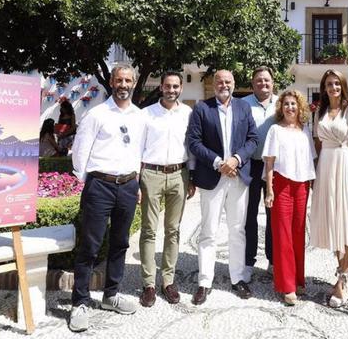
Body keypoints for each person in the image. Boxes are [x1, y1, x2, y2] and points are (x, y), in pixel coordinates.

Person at [68, 64, 144, 333]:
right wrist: (87, 181)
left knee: (120, 243)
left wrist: (135, 182)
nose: (124, 84)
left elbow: (138, 151)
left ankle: (111, 295)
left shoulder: (139, 116)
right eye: (119, 80)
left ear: (134, 83)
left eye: (128, 80)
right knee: (90, 245)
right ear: (111, 82)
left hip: (127, 185)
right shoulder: (96, 114)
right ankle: (79, 302)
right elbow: (80, 151)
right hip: (100, 185)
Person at [186, 70, 258, 305]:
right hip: (212, 177)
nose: (224, 85)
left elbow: (253, 139)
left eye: (228, 81)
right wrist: (219, 163)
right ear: (213, 84)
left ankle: (237, 278)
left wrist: (236, 159)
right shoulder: (201, 109)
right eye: (219, 81)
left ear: (234, 84)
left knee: (237, 229)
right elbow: (194, 142)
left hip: (237, 176)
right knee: (208, 231)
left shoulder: (243, 108)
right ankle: (205, 282)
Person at [310, 69, 348, 308]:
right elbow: (316, 145)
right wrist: (314, 174)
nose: (333, 87)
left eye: (336, 83)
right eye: (329, 84)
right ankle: (342, 274)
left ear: (342, 86)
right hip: (325, 168)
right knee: (333, 222)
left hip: (345, 165)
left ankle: (343, 278)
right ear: (324, 87)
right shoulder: (320, 111)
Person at [138, 71, 195, 307]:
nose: (171, 90)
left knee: (173, 230)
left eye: (175, 86)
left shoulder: (189, 114)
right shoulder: (146, 114)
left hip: (179, 174)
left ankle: (168, 281)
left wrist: (191, 176)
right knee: (149, 229)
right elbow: (137, 148)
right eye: (167, 86)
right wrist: (135, 180)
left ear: (180, 88)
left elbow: (191, 146)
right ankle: (149, 284)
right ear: (160, 87)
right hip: (150, 173)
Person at [263, 90, 316, 306]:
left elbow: (310, 160)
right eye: (286, 104)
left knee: (297, 233)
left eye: (293, 104)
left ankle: (297, 279)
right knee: (282, 235)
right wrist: (269, 190)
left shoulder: (305, 131)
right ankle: (287, 286)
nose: (290, 107)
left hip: (302, 185)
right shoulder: (275, 130)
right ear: (281, 107)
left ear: (299, 107)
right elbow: (269, 163)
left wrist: (310, 188)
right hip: (281, 184)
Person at [242, 66, 278, 280]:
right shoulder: (243, 104)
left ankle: (273, 260)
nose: (263, 84)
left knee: (274, 216)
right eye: (259, 81)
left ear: (273, 83)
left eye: (266, 80)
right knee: (249, 216)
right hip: (251, 166)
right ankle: (248, 261)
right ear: (253, 83)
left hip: (275, 168)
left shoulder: (282, 103)